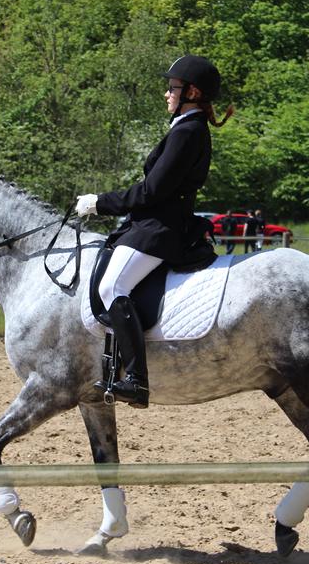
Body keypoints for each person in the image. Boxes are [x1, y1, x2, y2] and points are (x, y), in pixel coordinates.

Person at [75, 55, 233, 408]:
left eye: (172, 88)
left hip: (160, 229)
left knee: (113, 285)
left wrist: (101, 202)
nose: (166, 94)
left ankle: (136, 378)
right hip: (151, 224)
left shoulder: (189, 131)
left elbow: (151, 191)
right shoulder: (185, 127)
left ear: (191, 92)